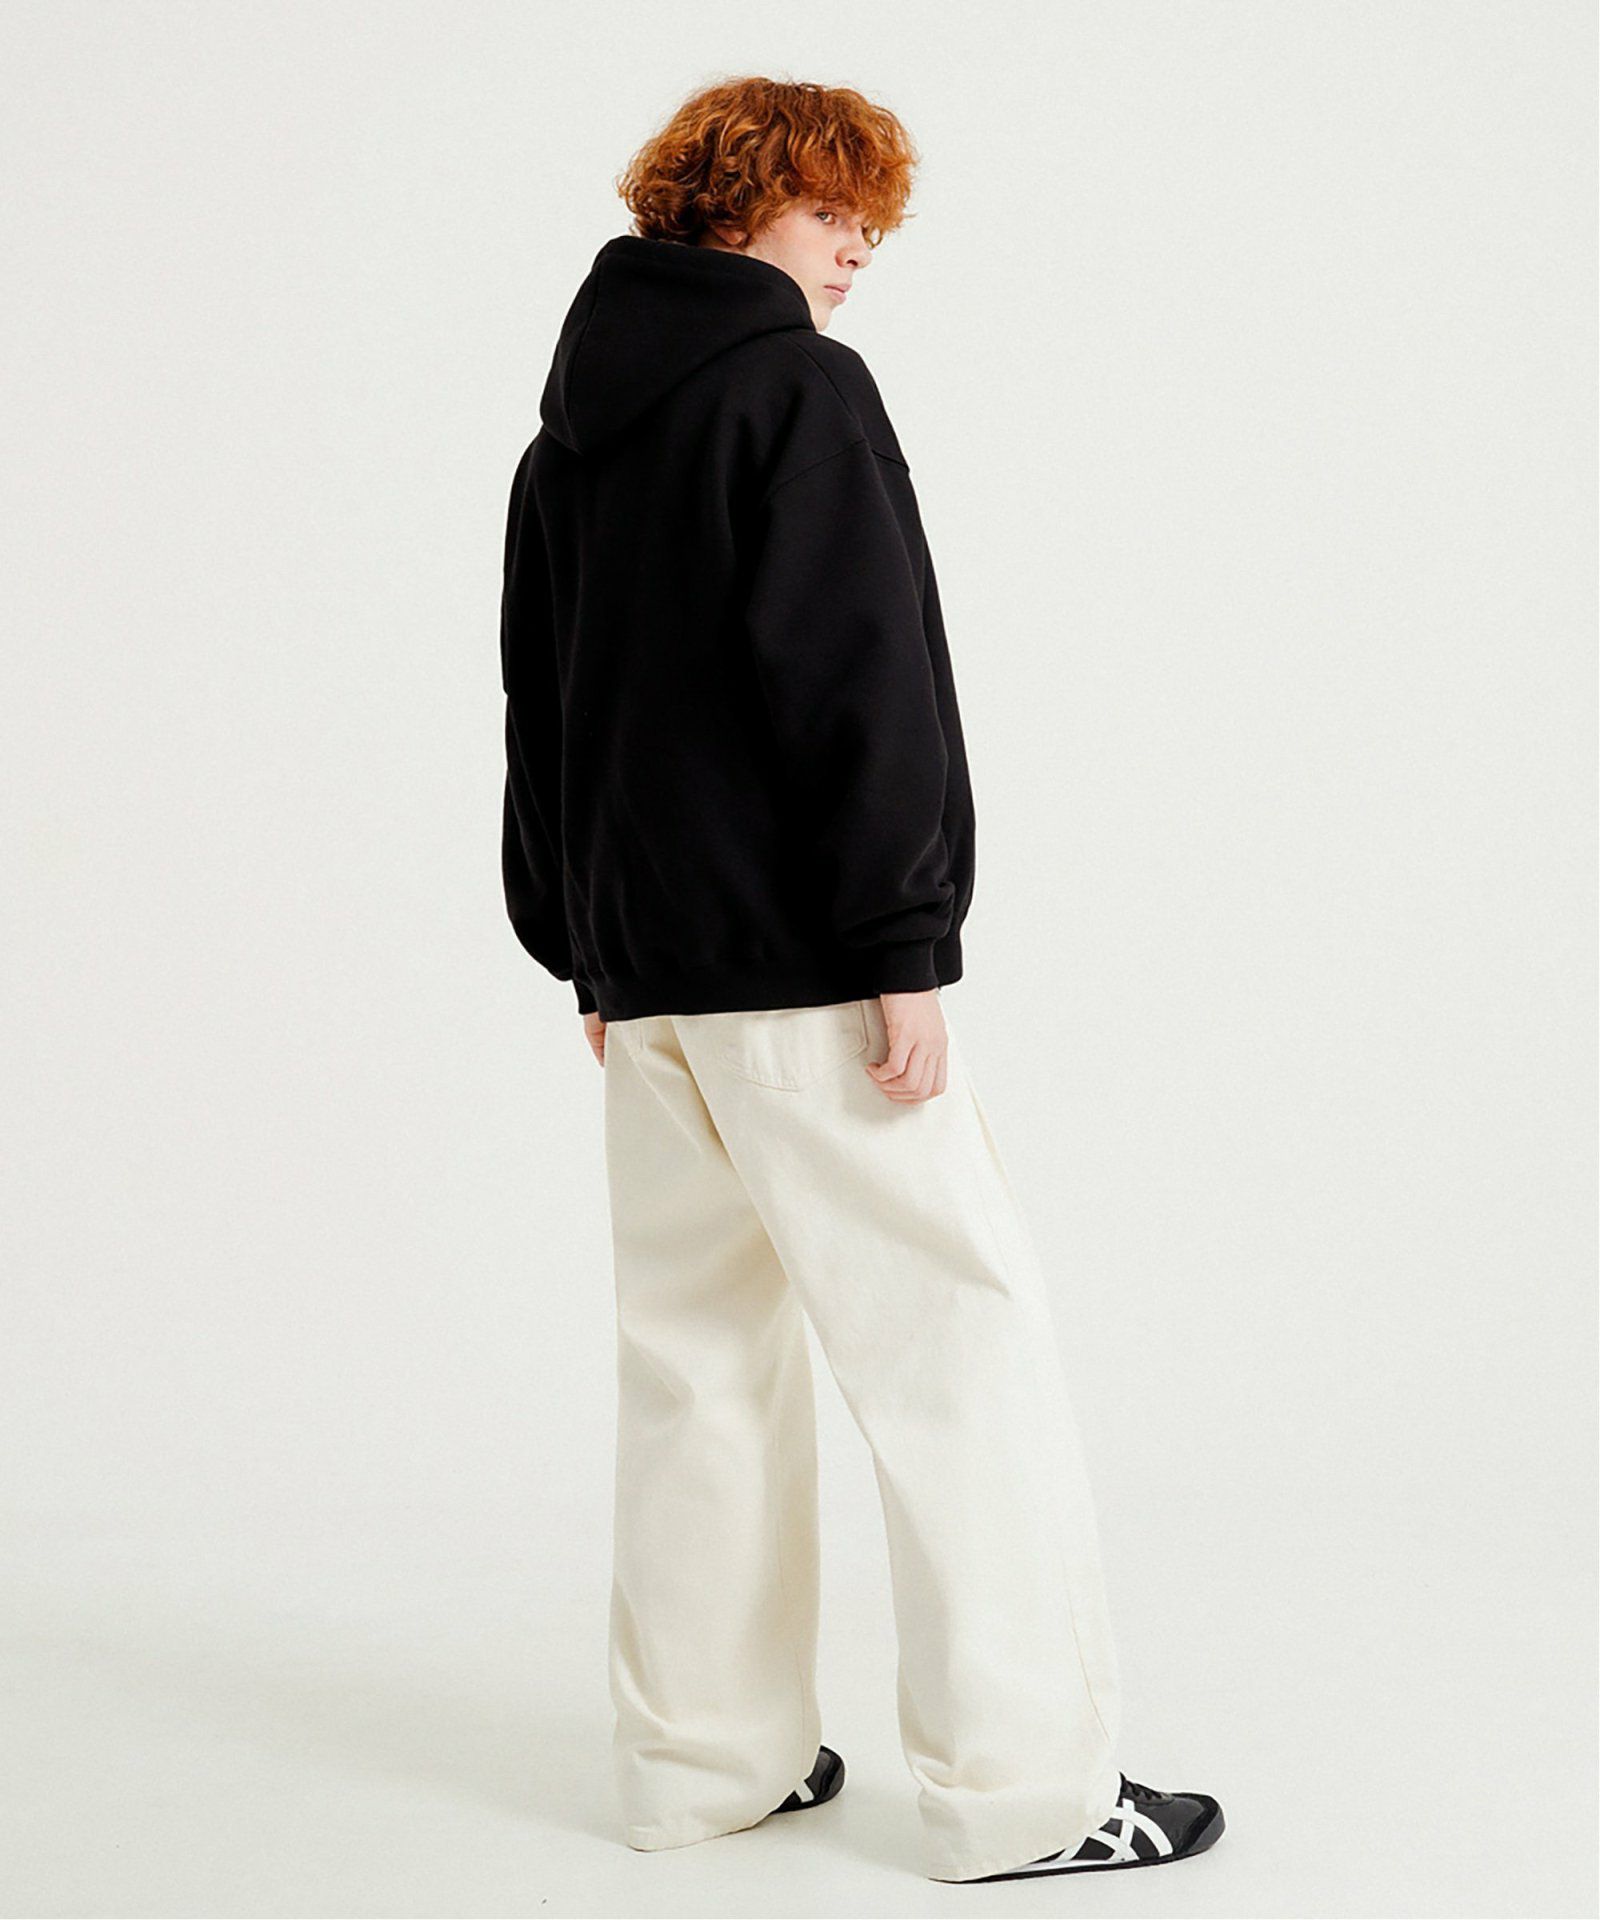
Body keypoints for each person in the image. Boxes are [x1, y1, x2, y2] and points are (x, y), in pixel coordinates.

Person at [499, 73, 1224, 1886]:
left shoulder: (567, 438)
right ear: (740, 202)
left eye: (872, 227)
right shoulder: (795, 391)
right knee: (957, 1348)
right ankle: (1030, 1798)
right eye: (836, 213)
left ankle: (704, 1765)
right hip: (808, 971)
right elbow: (861, 675)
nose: (859, 254)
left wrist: (586, 948)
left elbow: (544, 714)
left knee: (696, 1370)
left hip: (651, 987)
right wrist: (905, 938)